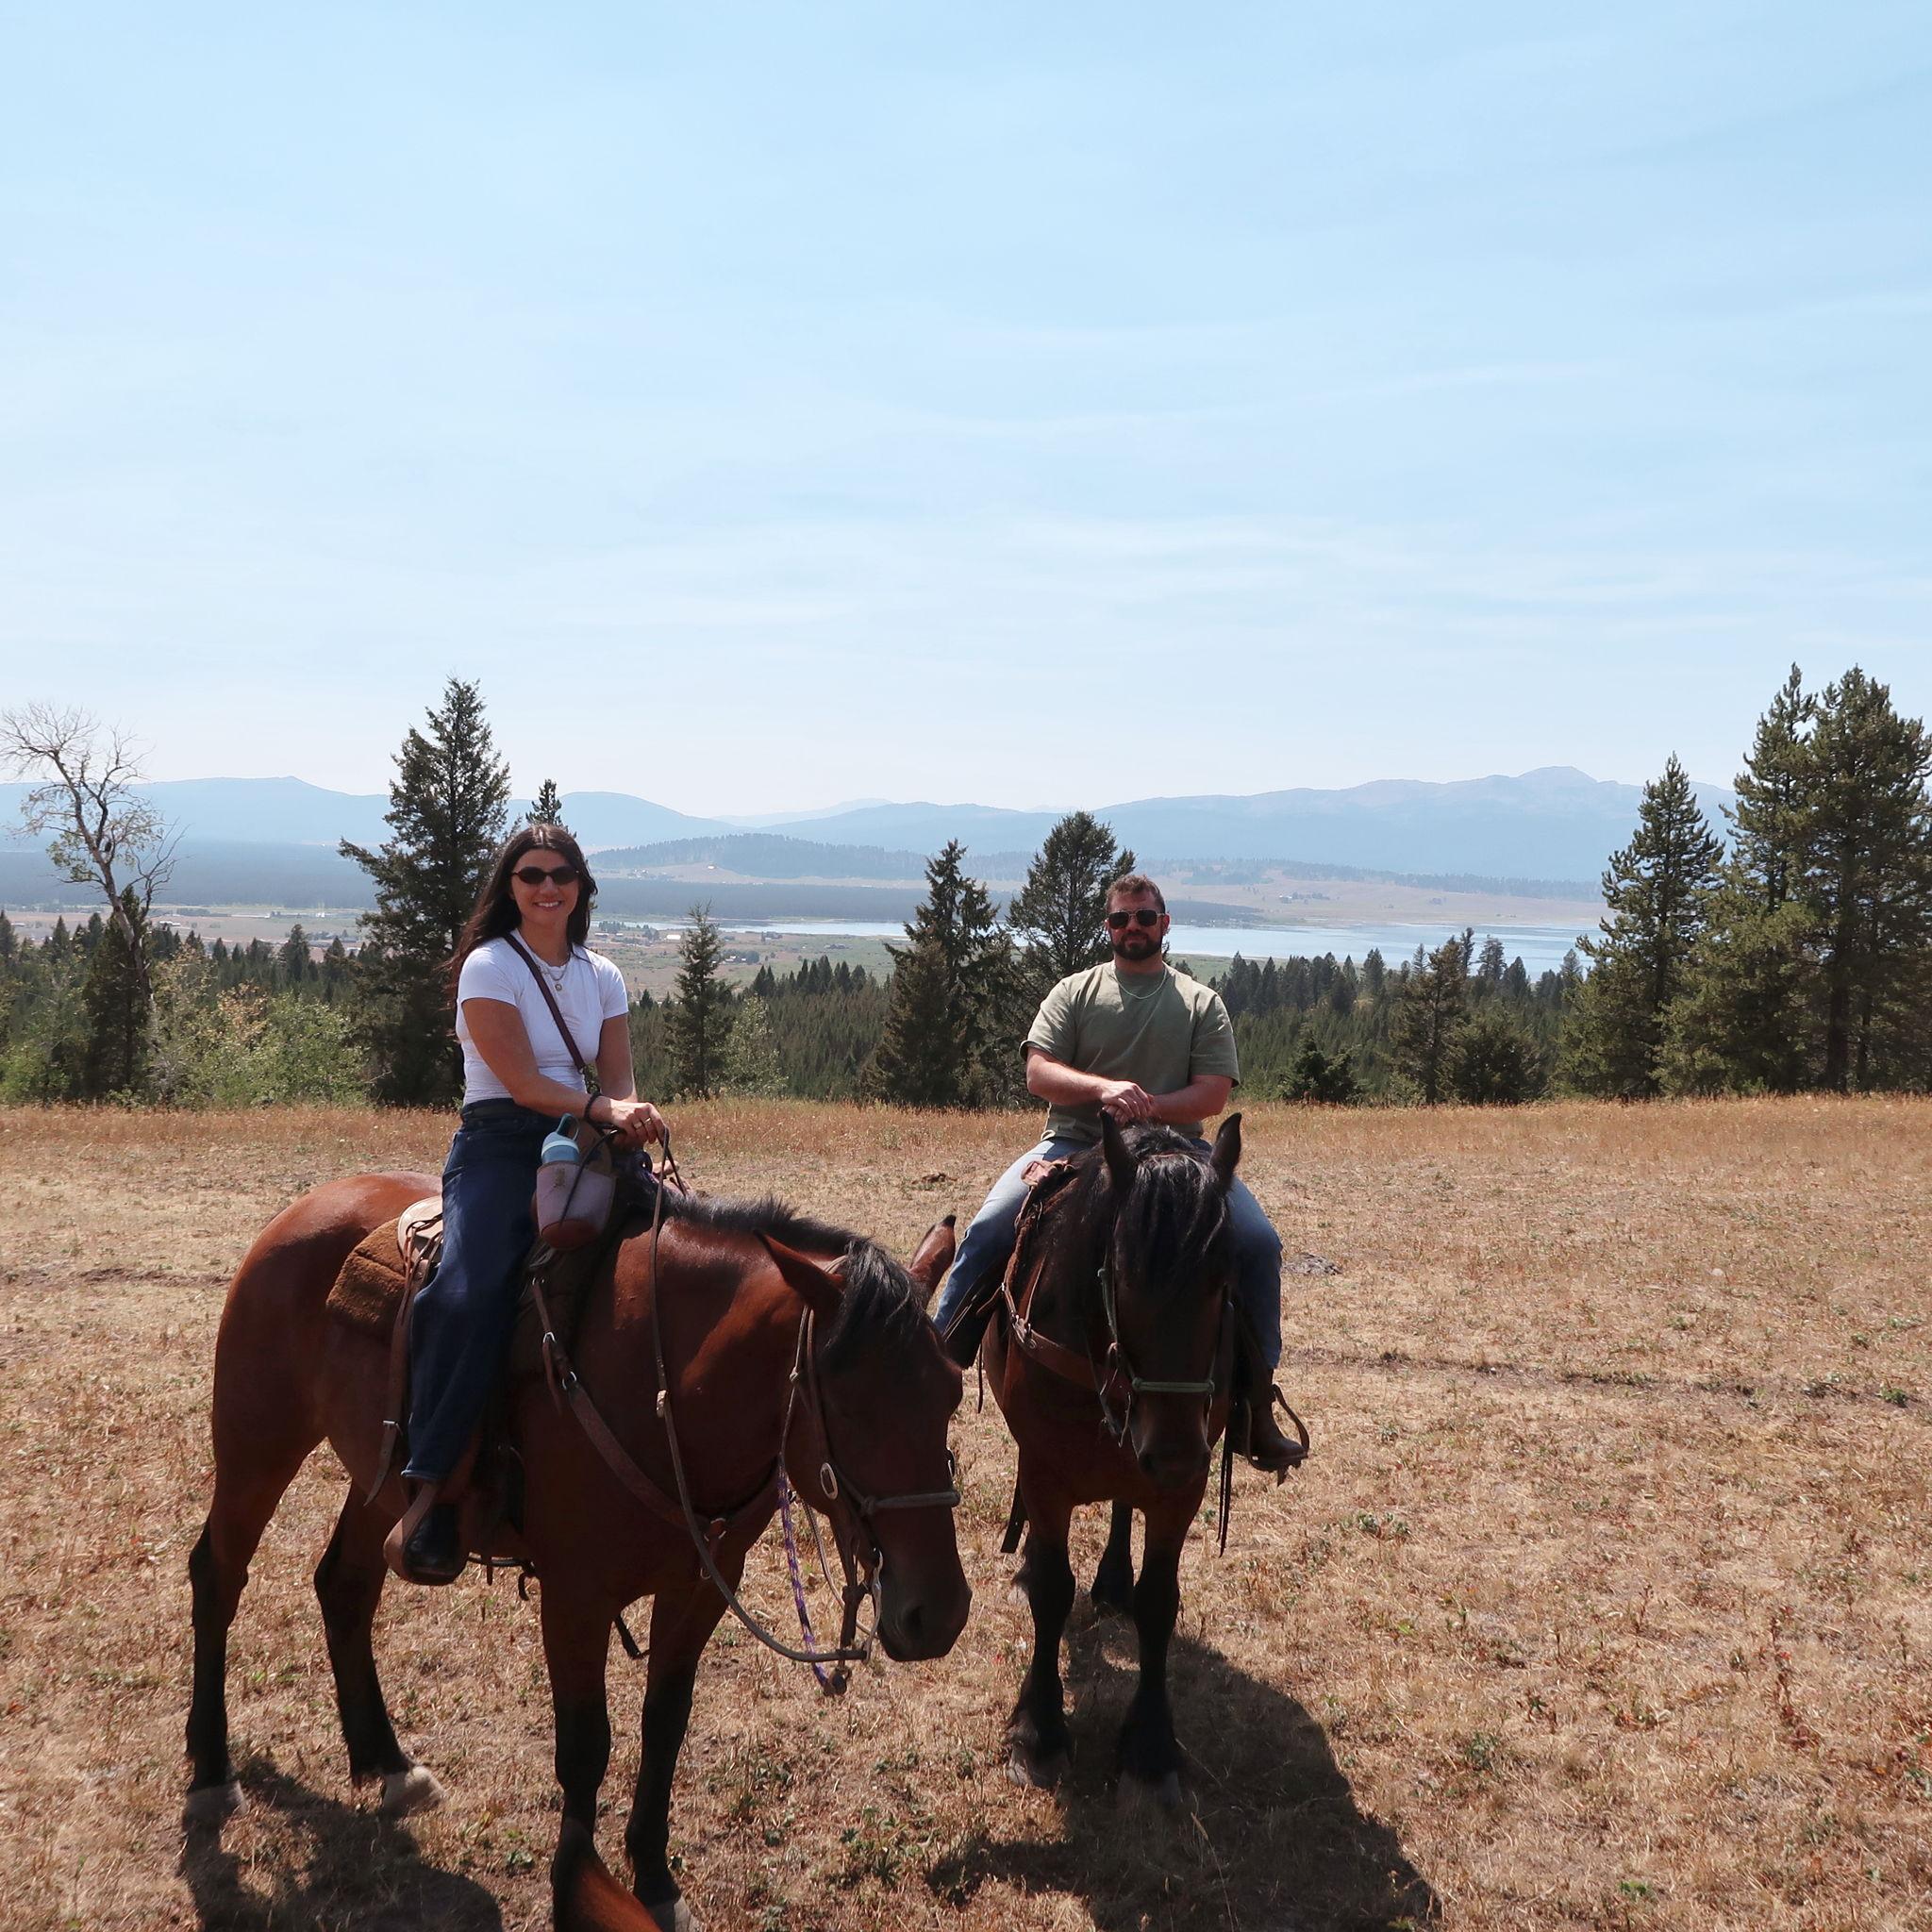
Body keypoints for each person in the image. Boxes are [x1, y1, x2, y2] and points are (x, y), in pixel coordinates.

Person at [933, 872, 1303, 1474]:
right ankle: (935, 1376)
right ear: (1108, 927)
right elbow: (1039, 1073)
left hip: (1179, 1154)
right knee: (991, 1228)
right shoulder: (1073, 992)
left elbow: (1212, 1094)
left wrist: (1147, 1106)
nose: (1133, 927)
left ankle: (1255, 1404)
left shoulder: (1199, 1002)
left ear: (1165, 923)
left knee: (1259, 1244)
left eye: (1145, 917)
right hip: (1074, 1142)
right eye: (1121, 918)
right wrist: (1105, 1091)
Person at [388, 824, 664, 1584]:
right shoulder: (488, 966)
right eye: (531, 874)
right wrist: (605, 1108)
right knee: (470, 1288)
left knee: (678, 1253)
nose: (548, 887)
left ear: (581, 887)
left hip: (586, 1139)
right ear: (509, 886)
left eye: (562, 874)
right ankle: (433, 1484)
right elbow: (520, 1083)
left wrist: (627, 1115)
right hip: (501, 1144)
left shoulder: (602, 975)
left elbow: (619, 1075)